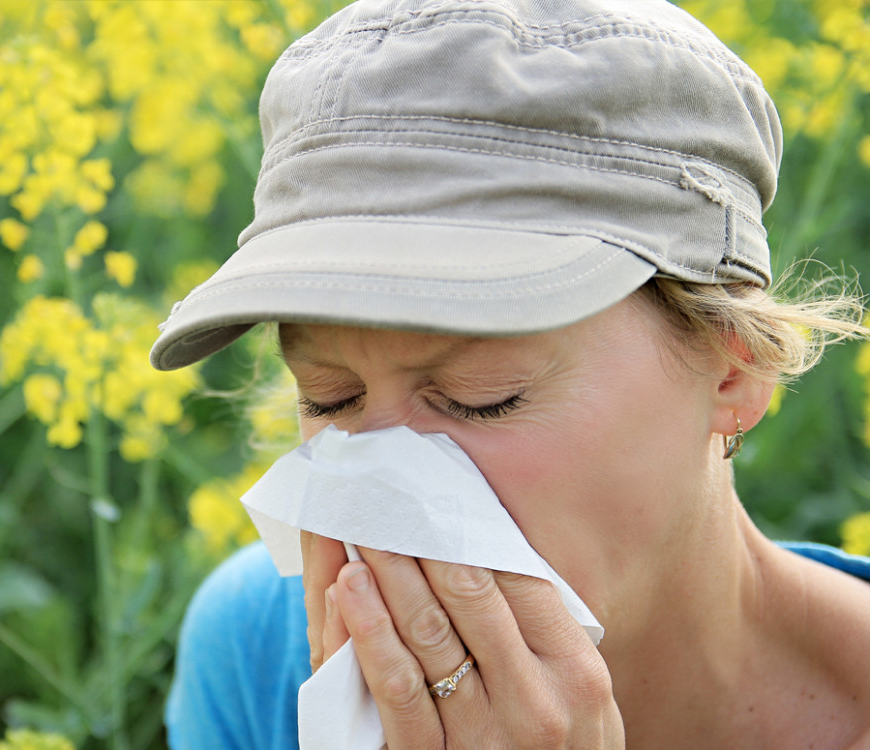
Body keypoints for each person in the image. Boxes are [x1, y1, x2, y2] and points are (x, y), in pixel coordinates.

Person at [149, 0, 870, 747]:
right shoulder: (255, 650)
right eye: (332, 398)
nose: (382, 484)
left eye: (481, 399)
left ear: (731, 369)